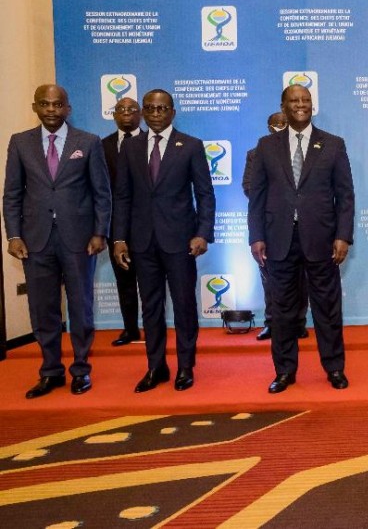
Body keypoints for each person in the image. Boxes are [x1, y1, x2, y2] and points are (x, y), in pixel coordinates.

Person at [3, 84, 111, 398]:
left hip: (79, 240)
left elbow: (102, 193)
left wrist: (100, 232)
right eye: (45, 104)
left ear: (68, 108)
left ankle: (81, 370)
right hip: (35, 241)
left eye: (57, 104)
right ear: (35, 107)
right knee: (43, 309)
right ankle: (50, 372)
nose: (51, 109)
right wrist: (13, 235)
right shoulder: (20, 142)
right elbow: (12, 194)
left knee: (80, 307)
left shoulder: (88, 142)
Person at [248, 84, 355, 393]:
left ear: (312, 105)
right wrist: (256, 235)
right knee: (282, 311)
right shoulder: (266, 146)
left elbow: (345, 195)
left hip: (322, 239)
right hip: (278, 239)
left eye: (306, 100)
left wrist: (343, 235)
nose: (301, 105)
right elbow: (257, 196)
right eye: (294, 100)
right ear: (283, 106)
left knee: (327, 308)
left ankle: (334, 368)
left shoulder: (333, 144)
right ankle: (284, 371)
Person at [113, 89, 216, 393]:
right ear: (143, 113)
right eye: (150, 108)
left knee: (184, 305)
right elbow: (122, 196)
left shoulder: (191, 145)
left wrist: (202, 233)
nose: (156, 114)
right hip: (142, 242)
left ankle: (185, 366)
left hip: (180, 241)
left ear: (172, 112)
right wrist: (119, 238)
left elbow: (205, 194)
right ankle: (156, 366)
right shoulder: (130, 147)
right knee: (151, 307)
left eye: (162, 108)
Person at [242, 111, 309, 342]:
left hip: (302, 225)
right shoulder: (256, 153)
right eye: (276, 124)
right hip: (271, 225)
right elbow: (249, 187)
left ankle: (298, 323)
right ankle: (272, 323)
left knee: (301, 277)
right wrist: (279, 200)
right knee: (270, 278)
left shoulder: (303, 151)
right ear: (269, 127)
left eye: (284, 123)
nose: (281, 126)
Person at [102, 97, 143, 346]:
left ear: (140, 114)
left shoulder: (152, 142)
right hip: (115, 225)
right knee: (124, 280)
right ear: (114, 115)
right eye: (120, 109)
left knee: (151, 281)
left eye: (131, 109)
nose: (126, 113)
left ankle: (155, 327)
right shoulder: (102, 145)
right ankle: (130, 329)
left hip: (147, 225)